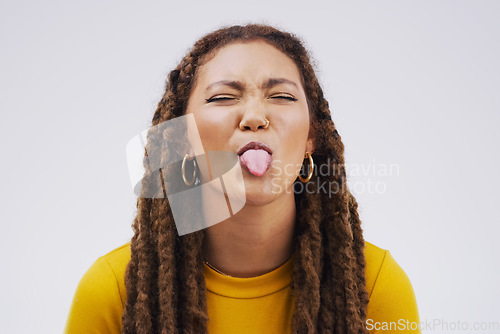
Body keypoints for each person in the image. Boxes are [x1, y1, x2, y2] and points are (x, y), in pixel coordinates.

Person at [64, 24, 420, 334]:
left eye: (281, 96)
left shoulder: (374, 287)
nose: (254, 117)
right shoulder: (112, 291)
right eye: (222, 97)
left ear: (313, 135)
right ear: (182, 139)